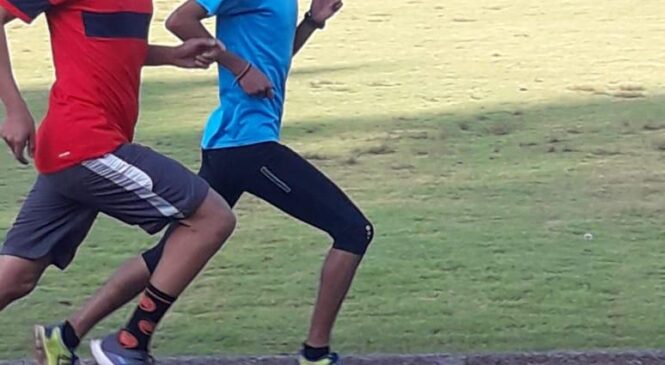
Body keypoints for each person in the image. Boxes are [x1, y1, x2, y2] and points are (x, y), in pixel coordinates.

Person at [36, 0, 374, 364]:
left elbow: (271, 64)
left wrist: (311, 22)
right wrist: (239, 67)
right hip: (247, 144)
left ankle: (66, 334)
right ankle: (315, 353)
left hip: (231, 144)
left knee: (170, 253)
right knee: (354, 231)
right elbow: (181, 20)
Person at [0, 1, 238, 364]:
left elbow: (112, 47)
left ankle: (63, 340)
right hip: (87, 146)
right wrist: (14, 108)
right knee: (212, 218)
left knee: (16, 277)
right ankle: (129, 343)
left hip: (78, 149)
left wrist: (171, 55)